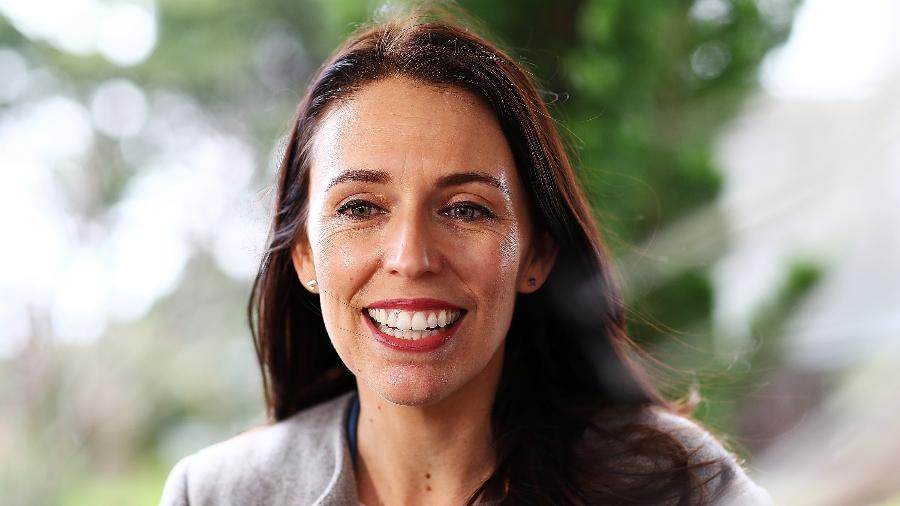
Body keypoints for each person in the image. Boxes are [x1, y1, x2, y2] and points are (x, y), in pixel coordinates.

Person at [160, 8, 772, 506]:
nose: (410, 257)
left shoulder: (680, 486)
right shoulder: (216, 494)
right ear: (304, 257)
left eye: (465, 209)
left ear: (536, 253)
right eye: (360, 208)